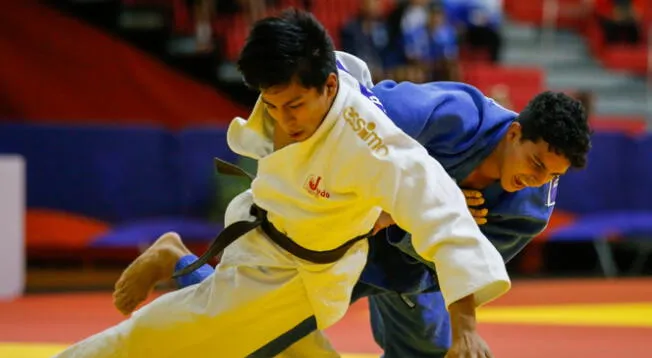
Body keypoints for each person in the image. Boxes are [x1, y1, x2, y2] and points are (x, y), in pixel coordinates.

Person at [55, 9, 510, 358]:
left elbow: (446, 218)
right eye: (271, 105)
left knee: (167, 333)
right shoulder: (306, 79)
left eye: (293, 105)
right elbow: (343, 64)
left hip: (302, 278)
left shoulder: (372, 145)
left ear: (329, 87)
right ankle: (177, 260)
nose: (282, 118)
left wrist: (465, 327)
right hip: (261, 230)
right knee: (167, 337)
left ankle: (177, 260)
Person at [112, 49, 591, 356]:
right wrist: (406, 202)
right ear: (513, 132)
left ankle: (182, 264)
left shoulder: (530, 209)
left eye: (552, 175)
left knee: (428, 350)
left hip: (407, 268)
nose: (537, 179)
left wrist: (413, 221)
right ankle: (177, 261)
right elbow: (362, 124)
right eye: (536, 162)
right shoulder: (453, 114)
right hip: (343, 219)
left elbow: (453, 265)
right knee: (252, 325)